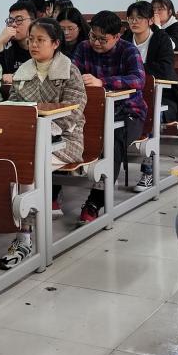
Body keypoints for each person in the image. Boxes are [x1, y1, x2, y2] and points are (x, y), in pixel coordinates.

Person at [2, 17, 86, 266]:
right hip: (28, 140)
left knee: (28, 168)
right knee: (7, 167)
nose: (34, 45)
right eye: (31, 40)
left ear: (56, 43)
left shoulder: (69, 71)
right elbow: (14, 107)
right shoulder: (23, 71)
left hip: (65, 140)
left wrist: (41, 132)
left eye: (40, 40)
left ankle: (24, 237)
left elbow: (73, 111)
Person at [71, 11, 148, 223]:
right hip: (92, 113)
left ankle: (96, 200)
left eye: (103, 39)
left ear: (117, 36)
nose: (96, 43)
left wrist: (102, 82)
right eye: (93, 36)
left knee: (113, 139)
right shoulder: (83, 48)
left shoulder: (128, 50)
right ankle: (53, 193)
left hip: (128, 113)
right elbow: (71, 73)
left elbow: (138, 80)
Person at [124, 1, 178, 189]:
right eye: (131, 18)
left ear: (150, 20)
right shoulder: (125, 39)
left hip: (163, 98)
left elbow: (165, 69)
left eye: (139, 18)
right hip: (128, 96)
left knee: (150, 113)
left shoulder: (161, 39)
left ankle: (148, 171)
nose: (134, 22)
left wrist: (135, 70)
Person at [0, 0, 37, 81]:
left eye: (19, 20)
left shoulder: (41, 47)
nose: (13, 24)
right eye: (11, 20)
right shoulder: (8, 48)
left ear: (33, 22)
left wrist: (15, 77)